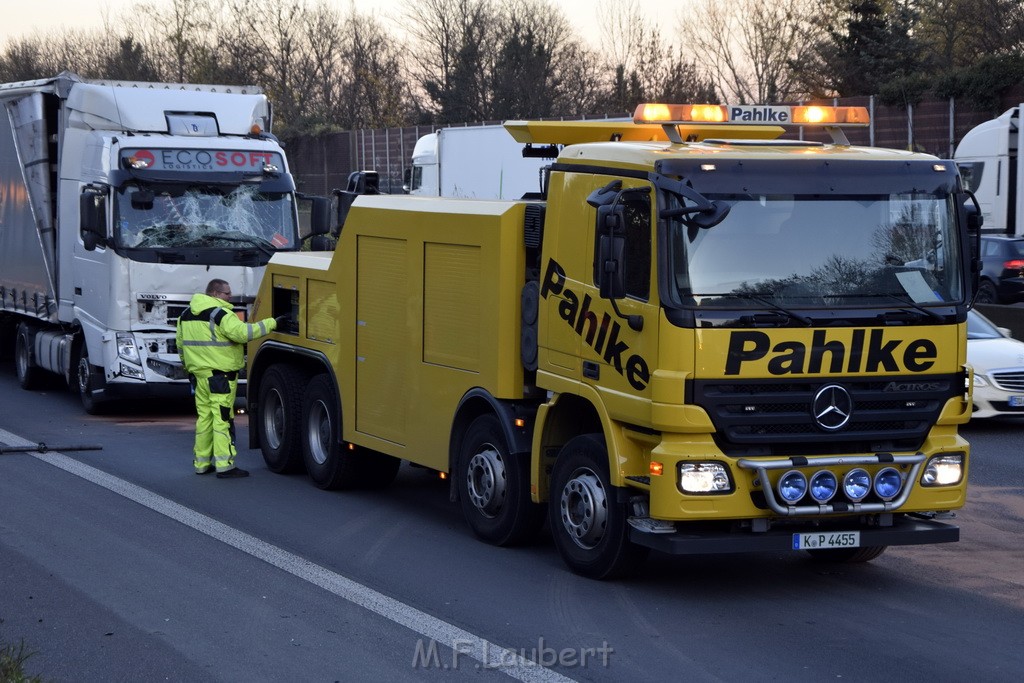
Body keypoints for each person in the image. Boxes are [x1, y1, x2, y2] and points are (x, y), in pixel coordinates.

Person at [176, 278, 288, 478]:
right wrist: (273, 323)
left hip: (198, 376)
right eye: (227, 293)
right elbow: (243, 334)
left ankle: (201, 464)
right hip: (220, 377)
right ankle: (224, 465)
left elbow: (180, 346)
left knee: (205, 419)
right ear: (215, 293)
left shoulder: (185, 315)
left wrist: (189, 369)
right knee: (222, 419)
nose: (230, 296)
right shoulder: (221, 314)